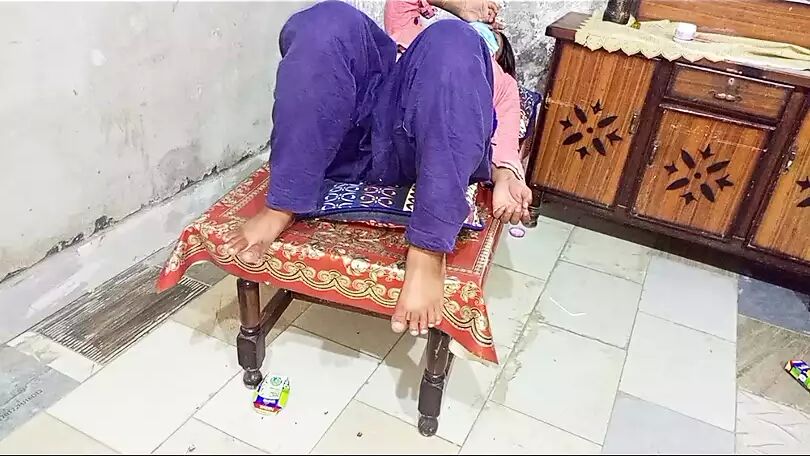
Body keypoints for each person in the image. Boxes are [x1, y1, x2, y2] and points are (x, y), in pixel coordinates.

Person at [223, 0, 531, 337]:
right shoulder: (410, 36)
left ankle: (428, 249)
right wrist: (460, 6)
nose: (481, 34)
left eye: (490, 40)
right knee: (329, 20)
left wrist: (507, 177)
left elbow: (504, 145)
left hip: (413, 153)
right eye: (479, 31)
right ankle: (284, 202)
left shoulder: (498, 83)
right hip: (356, 127)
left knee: (454, 43)